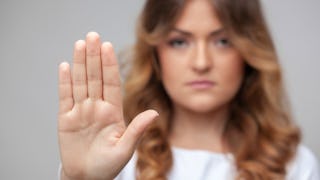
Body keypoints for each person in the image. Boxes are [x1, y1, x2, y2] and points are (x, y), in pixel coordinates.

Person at [57, 0, 320, 179]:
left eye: (223, 41)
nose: (201, 63)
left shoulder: (293, 166)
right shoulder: (115, 159)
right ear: (155, 53)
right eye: (180, 42)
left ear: (249, 50)